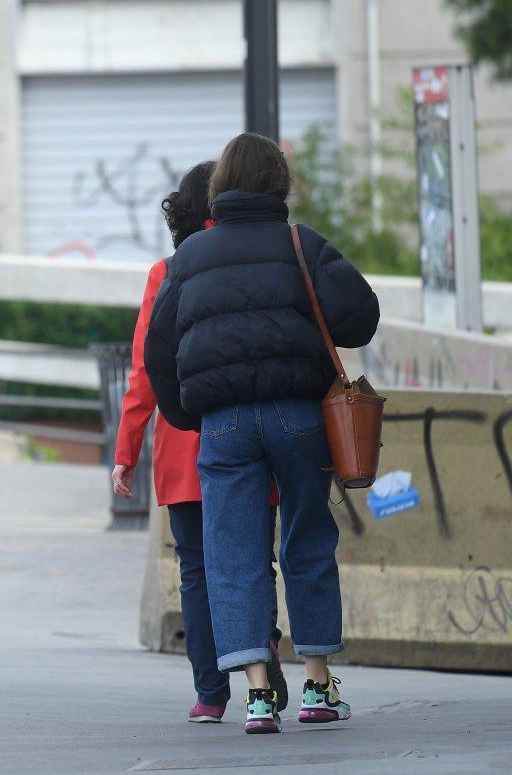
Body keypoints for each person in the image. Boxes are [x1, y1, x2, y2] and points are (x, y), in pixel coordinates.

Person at [145, 133, 379, 734]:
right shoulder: (302, 246)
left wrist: (187, 415)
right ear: (280, 185)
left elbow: (158, 352)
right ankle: (319, 685)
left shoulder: (190, 258)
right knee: (305, 540)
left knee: (232, 553)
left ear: (221, 186)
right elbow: (362, 315)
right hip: (298, 414)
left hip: (223, 423)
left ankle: (255, 693)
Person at [113, 161, 286, 724]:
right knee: (254, 563)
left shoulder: (167, 271)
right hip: (255, 434)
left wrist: (126, 451)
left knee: (196, 569)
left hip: (185, 443)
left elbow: (144, 371)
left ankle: (211, 693)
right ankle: (262, 655)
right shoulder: (267, 257)